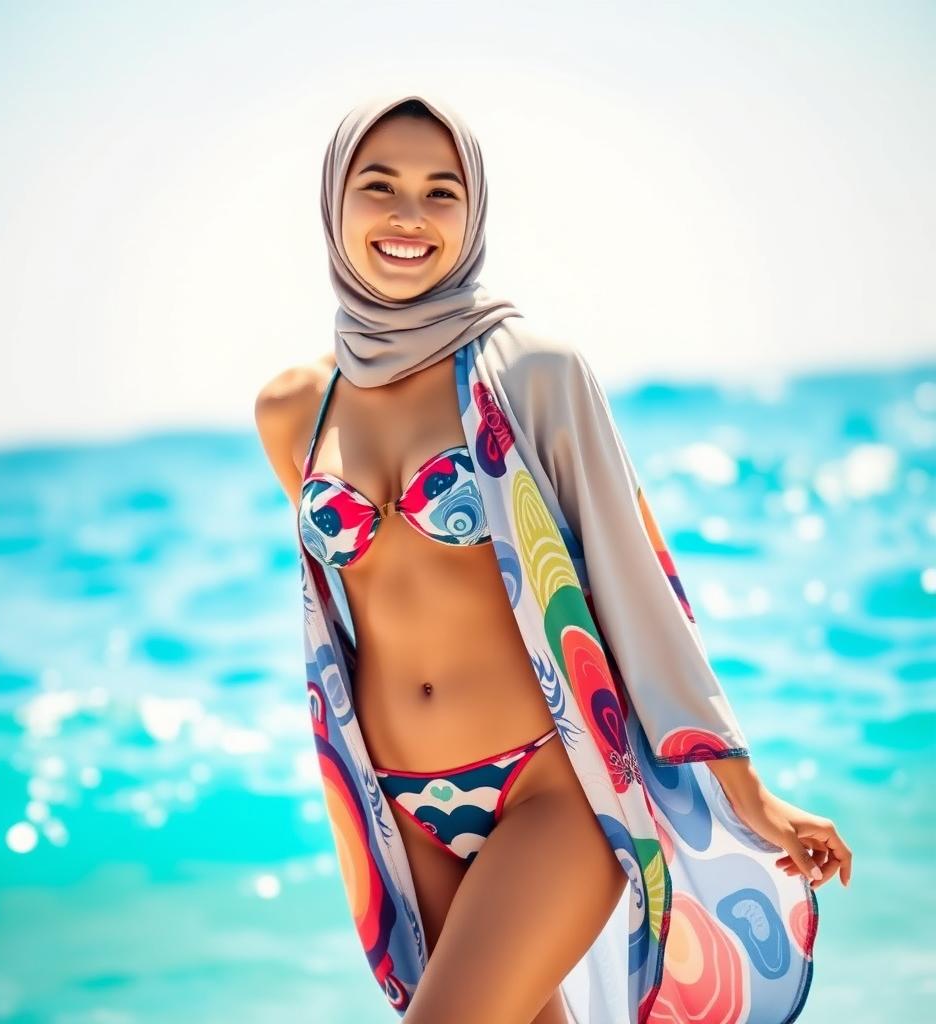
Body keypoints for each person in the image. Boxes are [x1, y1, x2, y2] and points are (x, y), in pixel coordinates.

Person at [255, 92, 851, 1024]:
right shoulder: (294, 410)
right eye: (380, 187)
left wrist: (746, 789)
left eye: (441, 192)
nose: (411, 217)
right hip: (400, 810)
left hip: (549, 790)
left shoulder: (532, 371)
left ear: (475, 210)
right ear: (334, 205)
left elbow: (634, 587)